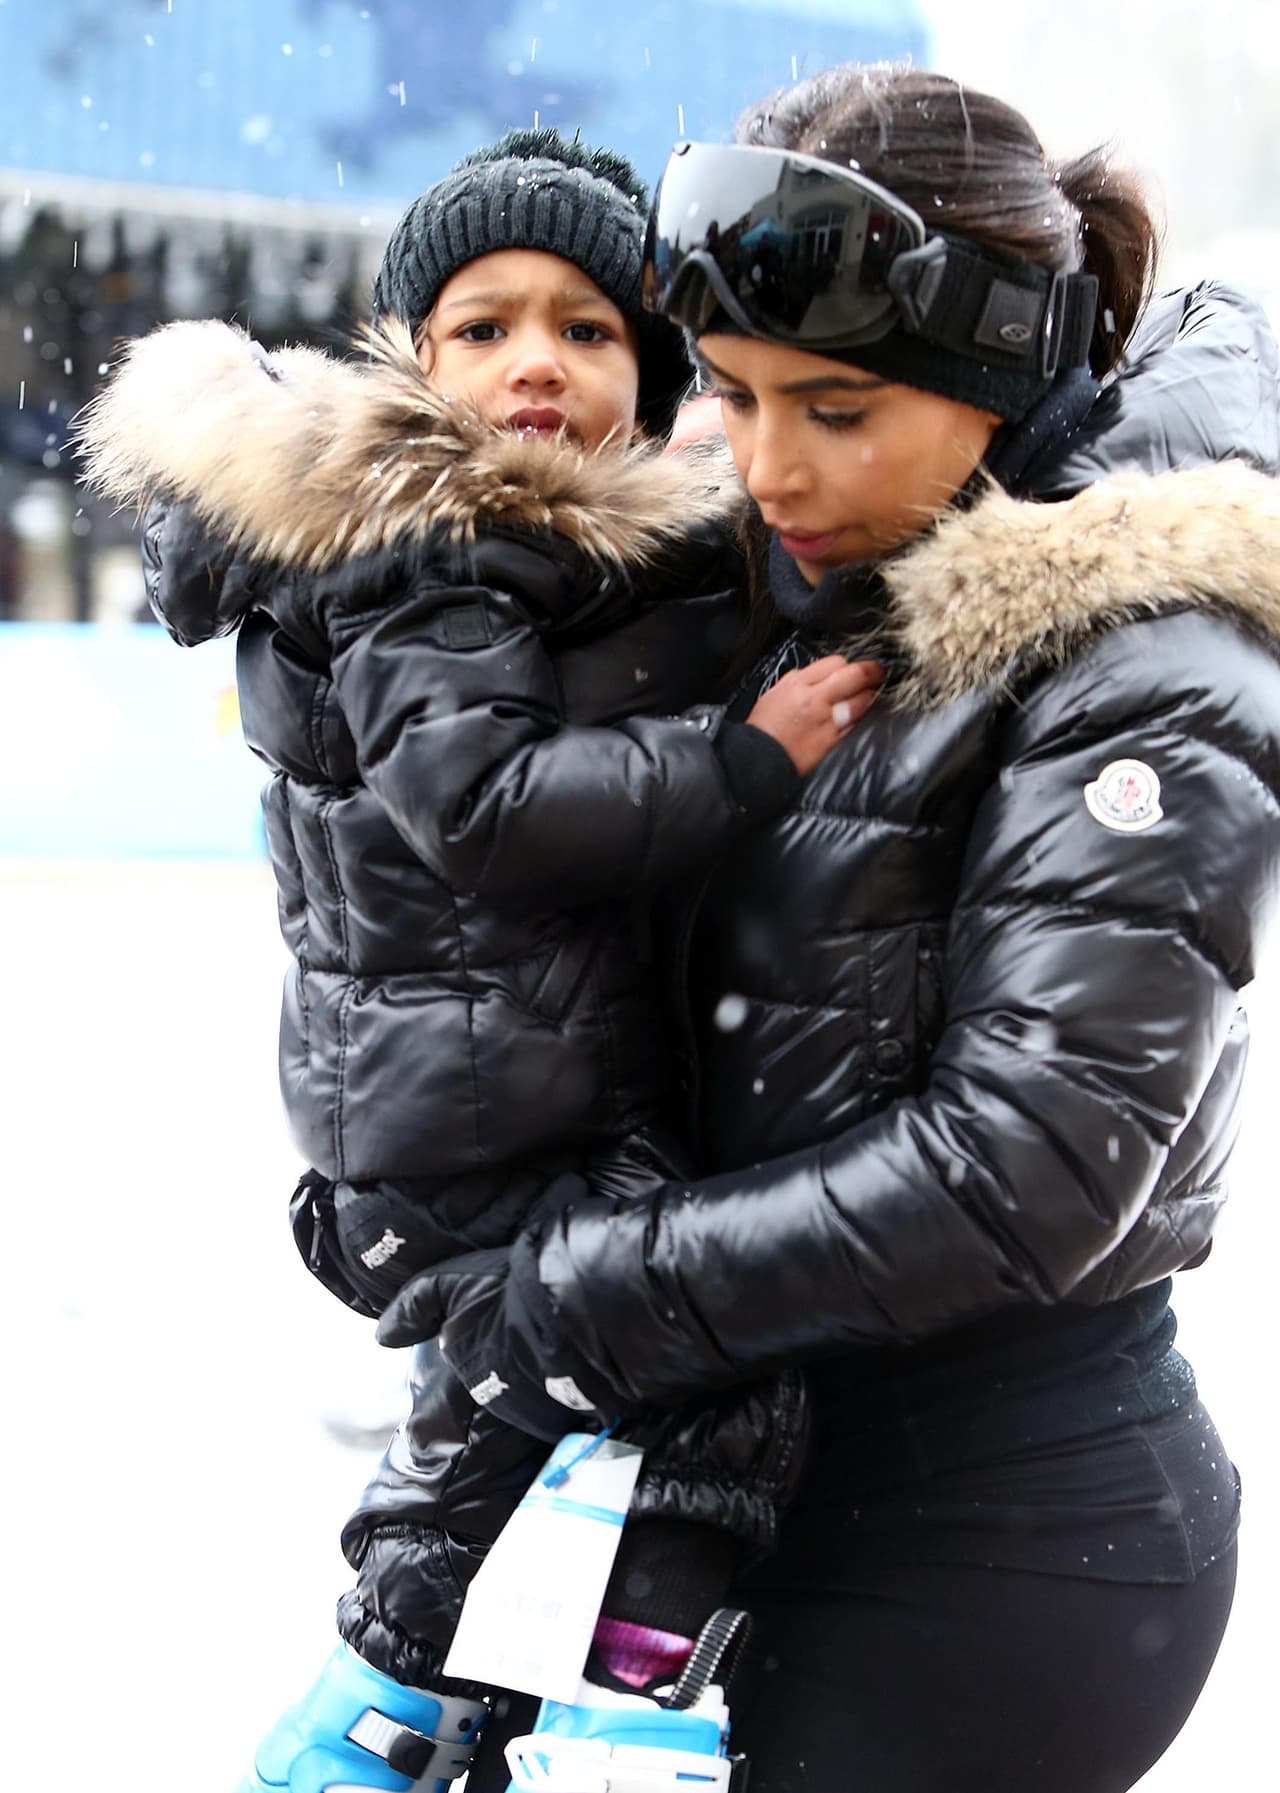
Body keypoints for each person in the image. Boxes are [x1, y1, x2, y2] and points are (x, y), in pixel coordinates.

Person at [377, 68, 1280, 1793]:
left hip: (1001, 1530)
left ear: (1002, 366)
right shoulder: (800, 575)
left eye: (842, 407)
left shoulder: (1157, 656)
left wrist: (576, 1289)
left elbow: (1033, 1160)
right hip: (728, 1480)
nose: (770, 464)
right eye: (730, 394)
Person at [76, 129, 884, 1792]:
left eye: (589, 330)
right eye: (486, 323)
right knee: (697, 1369)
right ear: (410, 359)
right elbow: (489, 809)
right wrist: (751, 758)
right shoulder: (422, 546)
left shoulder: (542, 555)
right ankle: (606, 1717)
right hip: (476, 1120)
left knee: (537, 1413)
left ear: (653, 381)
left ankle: (385, 1721)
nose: (537, 360)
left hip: (486, 1097)